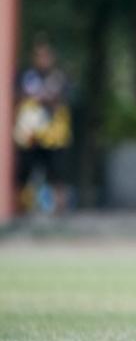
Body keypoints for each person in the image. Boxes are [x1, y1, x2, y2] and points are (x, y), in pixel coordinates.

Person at [13, 37, 72, 213]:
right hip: (30, 133)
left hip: (54, 135)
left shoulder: (58, 77)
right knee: (25, 171)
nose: (42, 60)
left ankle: (59, 209)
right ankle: (20, 209)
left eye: (46, 56)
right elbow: (18, 97)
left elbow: (62, 98)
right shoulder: (27, 77)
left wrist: (44, 99)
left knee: (57, 172)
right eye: (39, 56)